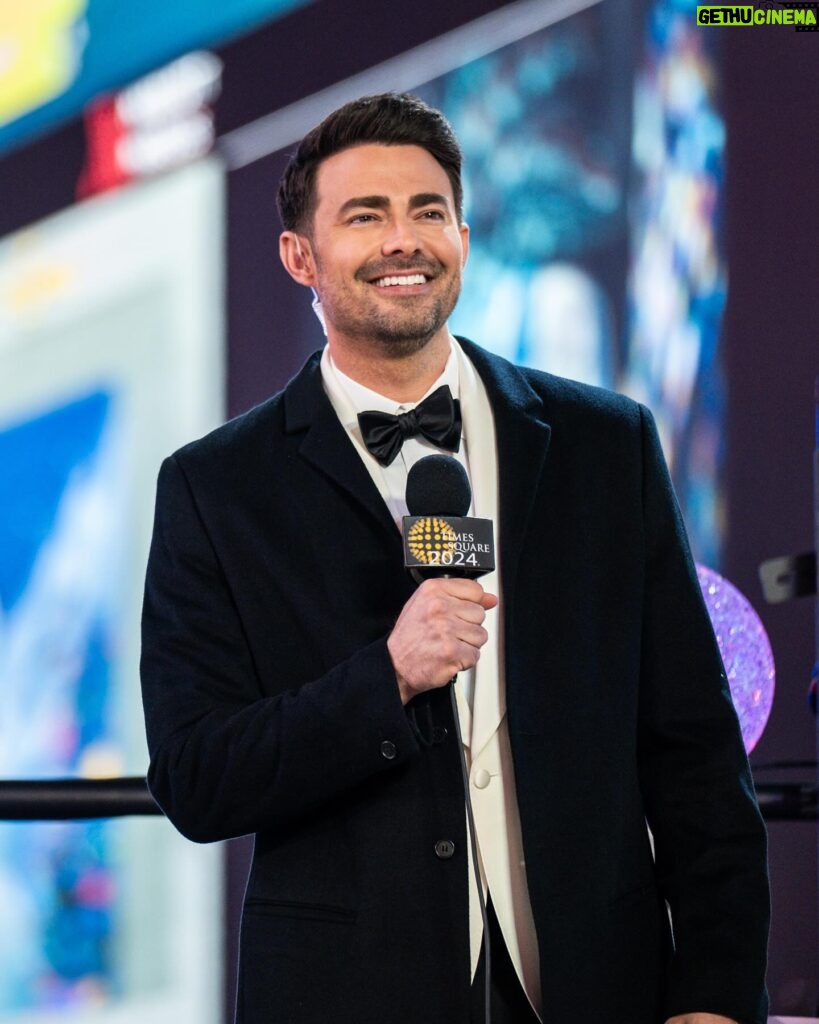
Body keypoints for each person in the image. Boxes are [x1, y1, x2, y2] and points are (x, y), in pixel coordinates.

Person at [140, 93, 769, 1024]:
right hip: (347, 992)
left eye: (427, 212)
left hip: (597, 985)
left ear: (464, 239)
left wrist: (714, 998)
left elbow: (696, 755)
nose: (404, 241)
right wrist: (384, 677)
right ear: (298, 257)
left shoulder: (606, 444)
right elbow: (198, 775)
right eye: (365, 216)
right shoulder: (217, 487)